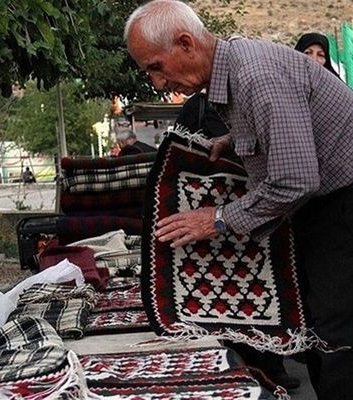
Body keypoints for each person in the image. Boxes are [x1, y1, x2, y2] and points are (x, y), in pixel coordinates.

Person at [124, 1, 353, 399]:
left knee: (338, 338)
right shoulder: (234, 71)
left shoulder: (256, 76)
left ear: (185, 43)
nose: (158, 84)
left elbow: (296, 179)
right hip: (329, 204)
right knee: (321, 327)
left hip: (341, 206)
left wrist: (215, 219)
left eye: (156, 67)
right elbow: (292, 126)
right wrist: (233, 141)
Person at [175, 92, 300, 390]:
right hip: (209, 210)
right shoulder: (198, 106)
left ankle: (271, 365)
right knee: (223, 290)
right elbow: (179, 151)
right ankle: (236, 365)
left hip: (254, 208)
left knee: (261, 284)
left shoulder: (250, 101)